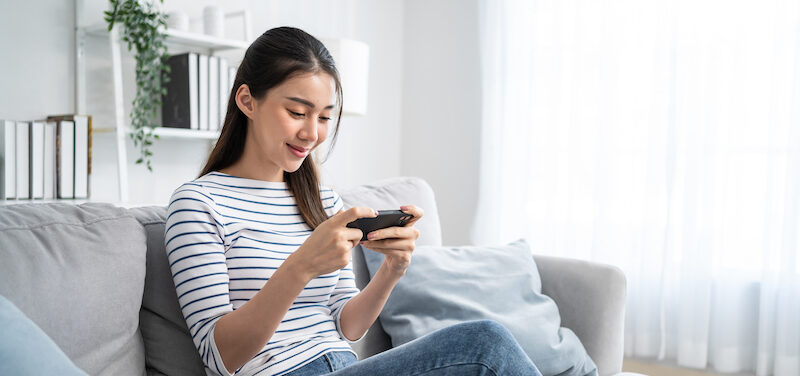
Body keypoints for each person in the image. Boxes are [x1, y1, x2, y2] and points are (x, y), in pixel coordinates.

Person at [165, 26, 541, 376]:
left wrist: (392, 269)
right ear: (247, 101)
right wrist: (300, 266)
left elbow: (348, 326)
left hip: (345, 365)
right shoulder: (199, 204)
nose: (312, 133)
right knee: (484, 344)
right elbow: (221, 356)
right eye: (297, 113)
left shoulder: (323, 201)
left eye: (324, 117)